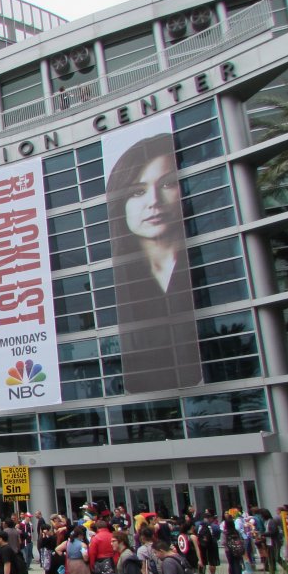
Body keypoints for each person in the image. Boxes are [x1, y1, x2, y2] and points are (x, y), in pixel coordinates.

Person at [105, 131, 201, 394]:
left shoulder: (211, 266)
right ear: (120, 202)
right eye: (137, 192)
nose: (154, 202)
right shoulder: (115, 283)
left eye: (168, 184)